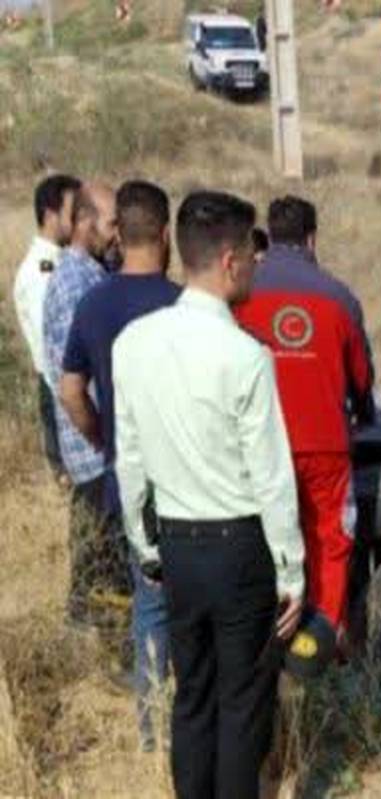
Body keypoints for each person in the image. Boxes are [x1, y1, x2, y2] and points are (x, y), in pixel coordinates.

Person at [114, 190, 304, 798]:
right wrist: (291, 570)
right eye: (250, 255)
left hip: (176, 543)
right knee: (242, 705)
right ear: (228, 261)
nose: (253, 267)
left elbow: (130, 460)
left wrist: (146, 545)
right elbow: (271, 476)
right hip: (239, 548)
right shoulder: (246, 356)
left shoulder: (133, 344)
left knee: (192, 696)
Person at [60, 180, 181, 752]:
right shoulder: (183, 304)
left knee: (149, 606)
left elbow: (70, 390)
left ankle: (152, 733)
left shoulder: (94, 304)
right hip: (187, 483)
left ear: (119, 234)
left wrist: (103, 438)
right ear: (165, 234)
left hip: (128, 482)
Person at [235, 195, 373, 636]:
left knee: (263, 538)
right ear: (312, 239)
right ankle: (323, 641)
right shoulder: (340, 297)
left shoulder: (241, 292)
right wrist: (364, 413)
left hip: (260, 443)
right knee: (330, 540)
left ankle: (268, 637)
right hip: (325, 447)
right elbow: (362, 379)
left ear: (270, 237)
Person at [42, 182, 125, 629]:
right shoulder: (75, 283)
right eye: (112, 224)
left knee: (99, 566)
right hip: (93, 454)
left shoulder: (93, 274)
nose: (117, 234)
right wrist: (102, 439)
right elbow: (75, 385)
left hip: (96, 452)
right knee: (101, 575)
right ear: (86, 223)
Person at [13, 173, 81, 479]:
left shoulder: (63, 262)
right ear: (51, 215)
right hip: (62, 391)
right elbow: (51, 345)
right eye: (73, 211)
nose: (80, 219)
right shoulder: (41, 273)